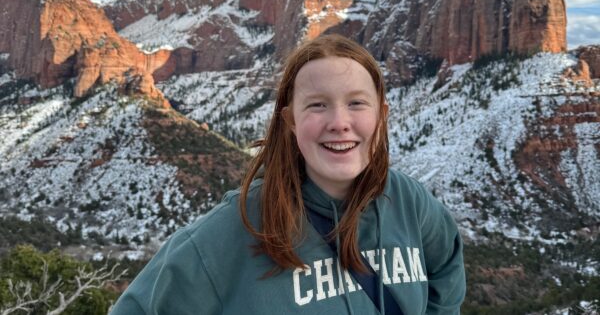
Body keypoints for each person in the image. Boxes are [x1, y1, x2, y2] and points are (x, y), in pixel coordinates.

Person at [111, 34, 466, 314]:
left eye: (357, 103)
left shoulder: (408, 201)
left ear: (381, 115)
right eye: (317, 105)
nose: (339, 123)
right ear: (291, 121)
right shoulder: (233, 229)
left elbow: (446, 267)